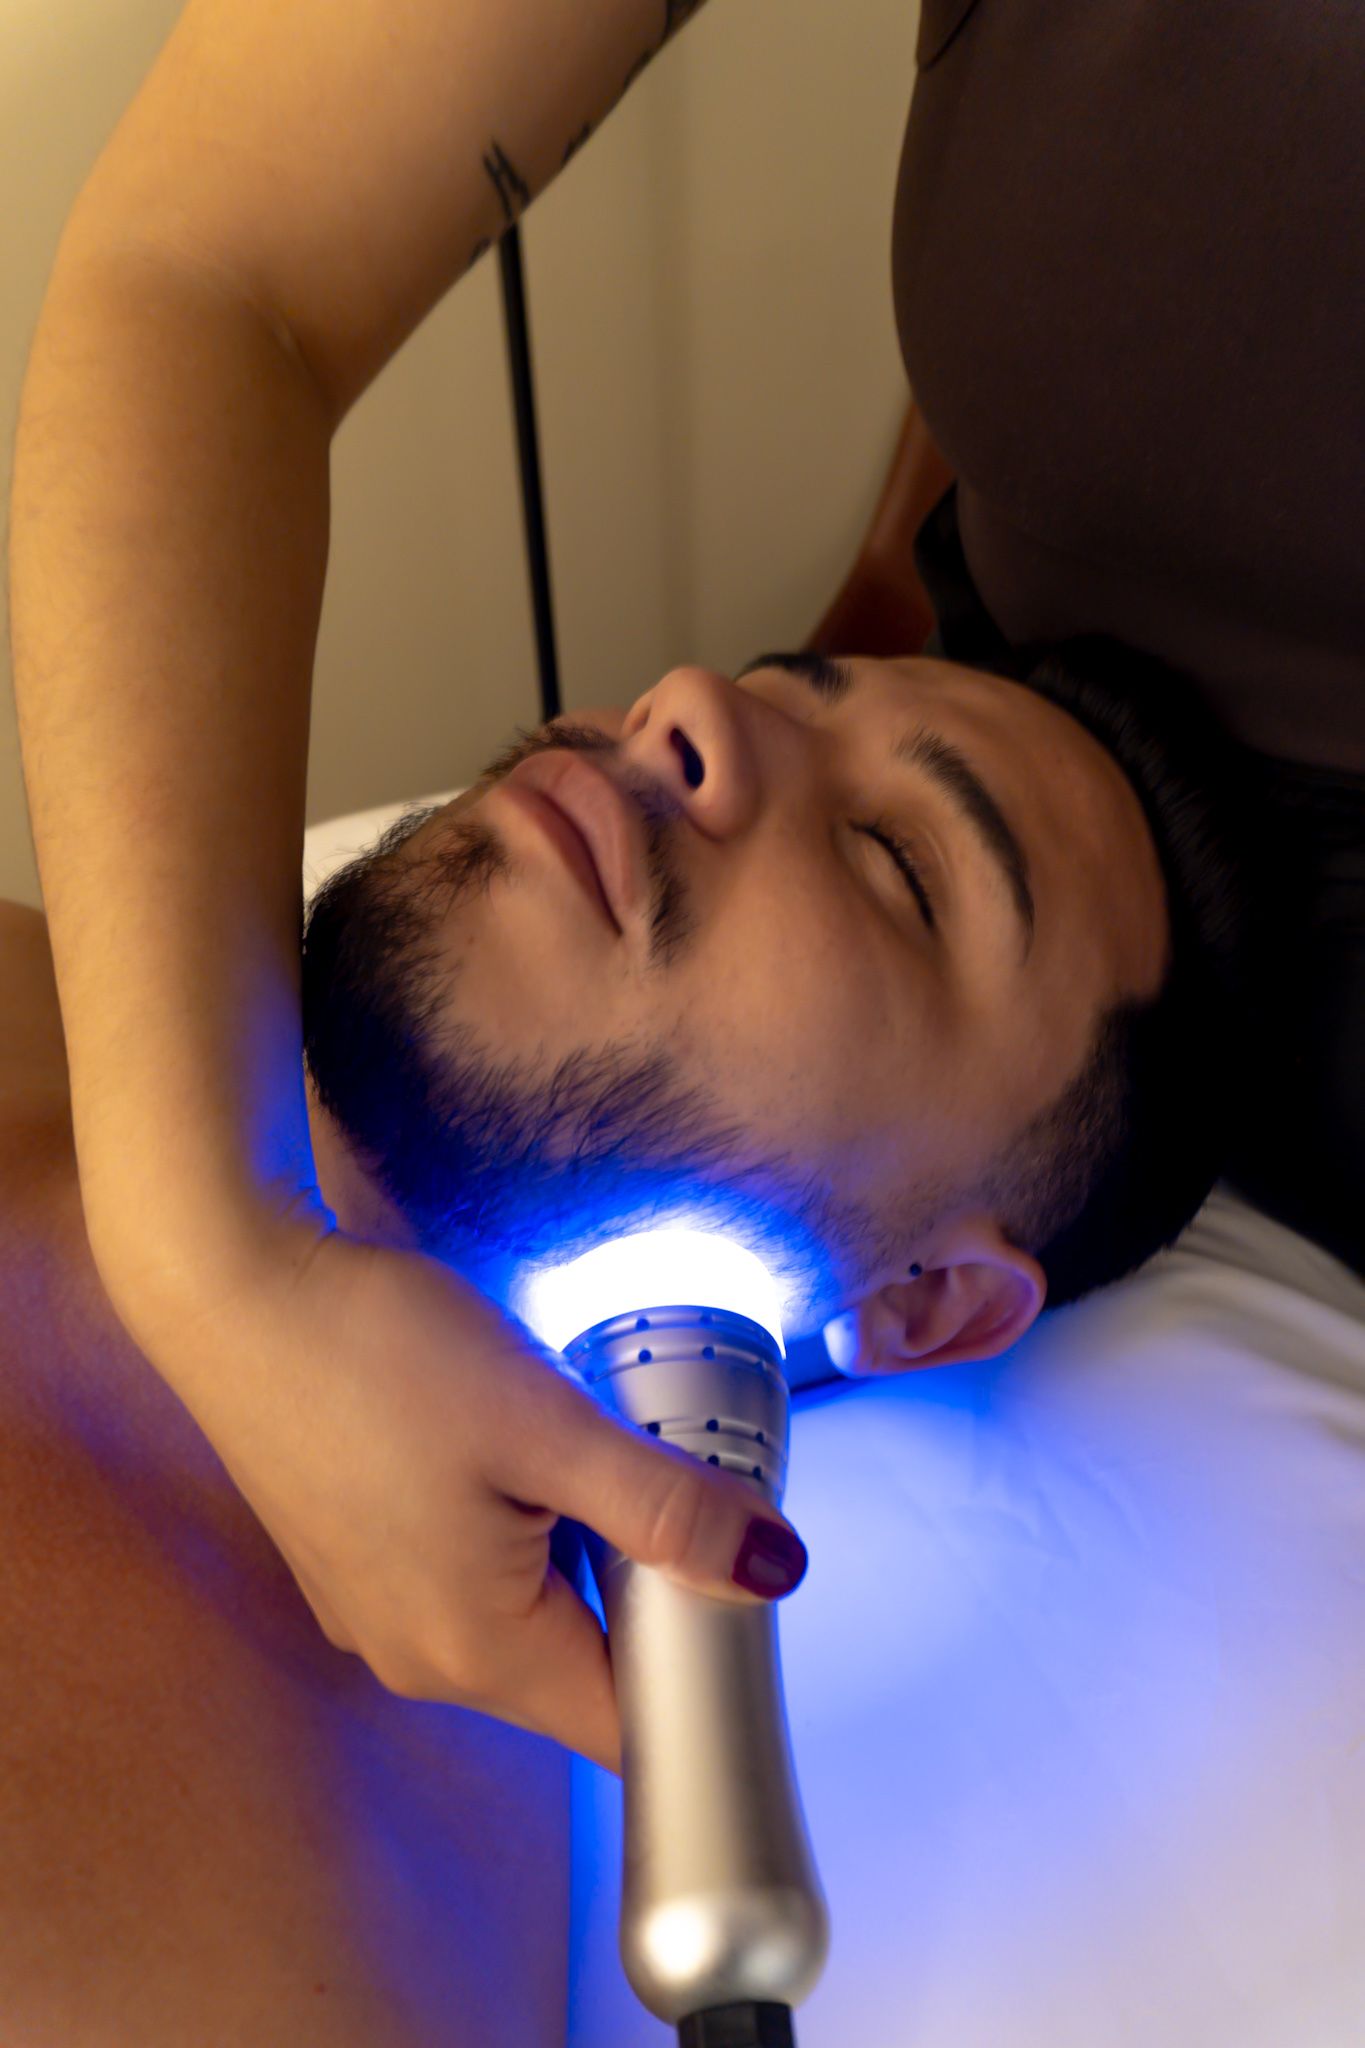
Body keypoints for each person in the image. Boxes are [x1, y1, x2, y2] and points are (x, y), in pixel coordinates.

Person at [0, 632, 1242, 2031]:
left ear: (919, 1305)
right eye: (770, 685)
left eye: (893, 863)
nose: (686, 706)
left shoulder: (286, 1963)